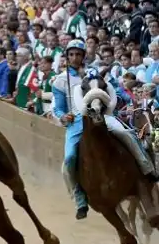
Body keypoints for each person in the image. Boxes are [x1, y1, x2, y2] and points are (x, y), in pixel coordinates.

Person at [52, 39, 159, 221]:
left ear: (83, 56)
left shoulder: (94, 73)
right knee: (69, 158)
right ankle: (79, 197)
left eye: (78, 54)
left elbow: (115, 89)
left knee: (127, 134)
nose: (75, 57)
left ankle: (147, 168)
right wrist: (63, 116)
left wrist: (117, 99)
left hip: (104, 116)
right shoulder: (60, 81)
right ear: (67, 57)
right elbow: (58, 107)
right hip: (77, 123)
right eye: (72, 54)